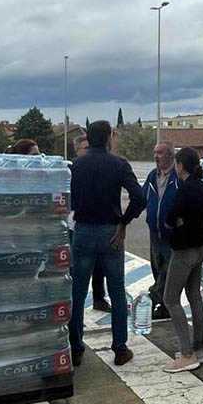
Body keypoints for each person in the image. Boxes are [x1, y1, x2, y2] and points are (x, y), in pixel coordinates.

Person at [69, 121, 145, 366]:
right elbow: (139, 197)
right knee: (117, 290)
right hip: (110, 232)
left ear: (89, 140)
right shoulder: (119, 164)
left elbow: (66, 199)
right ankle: (120, 348)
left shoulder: (75, 166)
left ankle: (76, 348)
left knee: (77, 293)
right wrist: (124, 222)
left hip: (82, 231)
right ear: (109, 138)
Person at [161, 147, 203, 373]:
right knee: (194, 296)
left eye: (177, 165)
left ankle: (186, 353)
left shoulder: (185, 189)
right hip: (200, 248)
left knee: (170, 298)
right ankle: (198, 348)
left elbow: (171, 217)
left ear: (181, 166)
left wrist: (174, 222)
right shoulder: (202, 187)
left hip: (184, 251)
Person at [72, 135, 110, 312]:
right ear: (77, 151)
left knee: (99, 265)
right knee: (77, 267)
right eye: (85, 148)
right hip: (74, 224)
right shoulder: (72, 169)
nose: (89, 151)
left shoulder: (97, 167)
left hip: (97, 223)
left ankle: (98, 297)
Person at [143, 141, 177, 320]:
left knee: (168, 271)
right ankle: (164, 307)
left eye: (160, 152)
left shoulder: (178, 177)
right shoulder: (151, 176)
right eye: (155, 152)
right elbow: (142, 198)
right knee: (157, 268)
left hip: (171, 234)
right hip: (154, 232)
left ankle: (152, 297)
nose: (156, 156)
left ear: (170, 155)